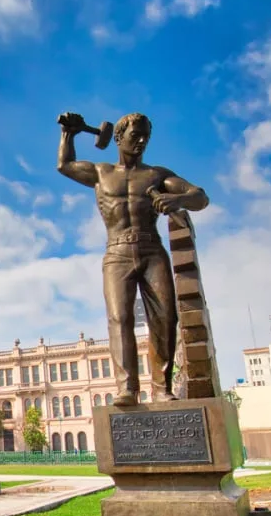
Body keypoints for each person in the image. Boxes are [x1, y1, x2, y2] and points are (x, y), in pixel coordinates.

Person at [56, 111, 209, 404]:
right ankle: (127, 387)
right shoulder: (101, 173)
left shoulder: (157, 175)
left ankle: (162, 388)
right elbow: (65, 165)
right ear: (118, 137)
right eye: (134, 136)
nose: (140, 142)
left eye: (145, 138)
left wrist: (177, 199)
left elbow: (200, 196)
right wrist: (69, 134)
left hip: (152, 249)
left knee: (164, 317)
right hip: (117, 252)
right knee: (120, 318)